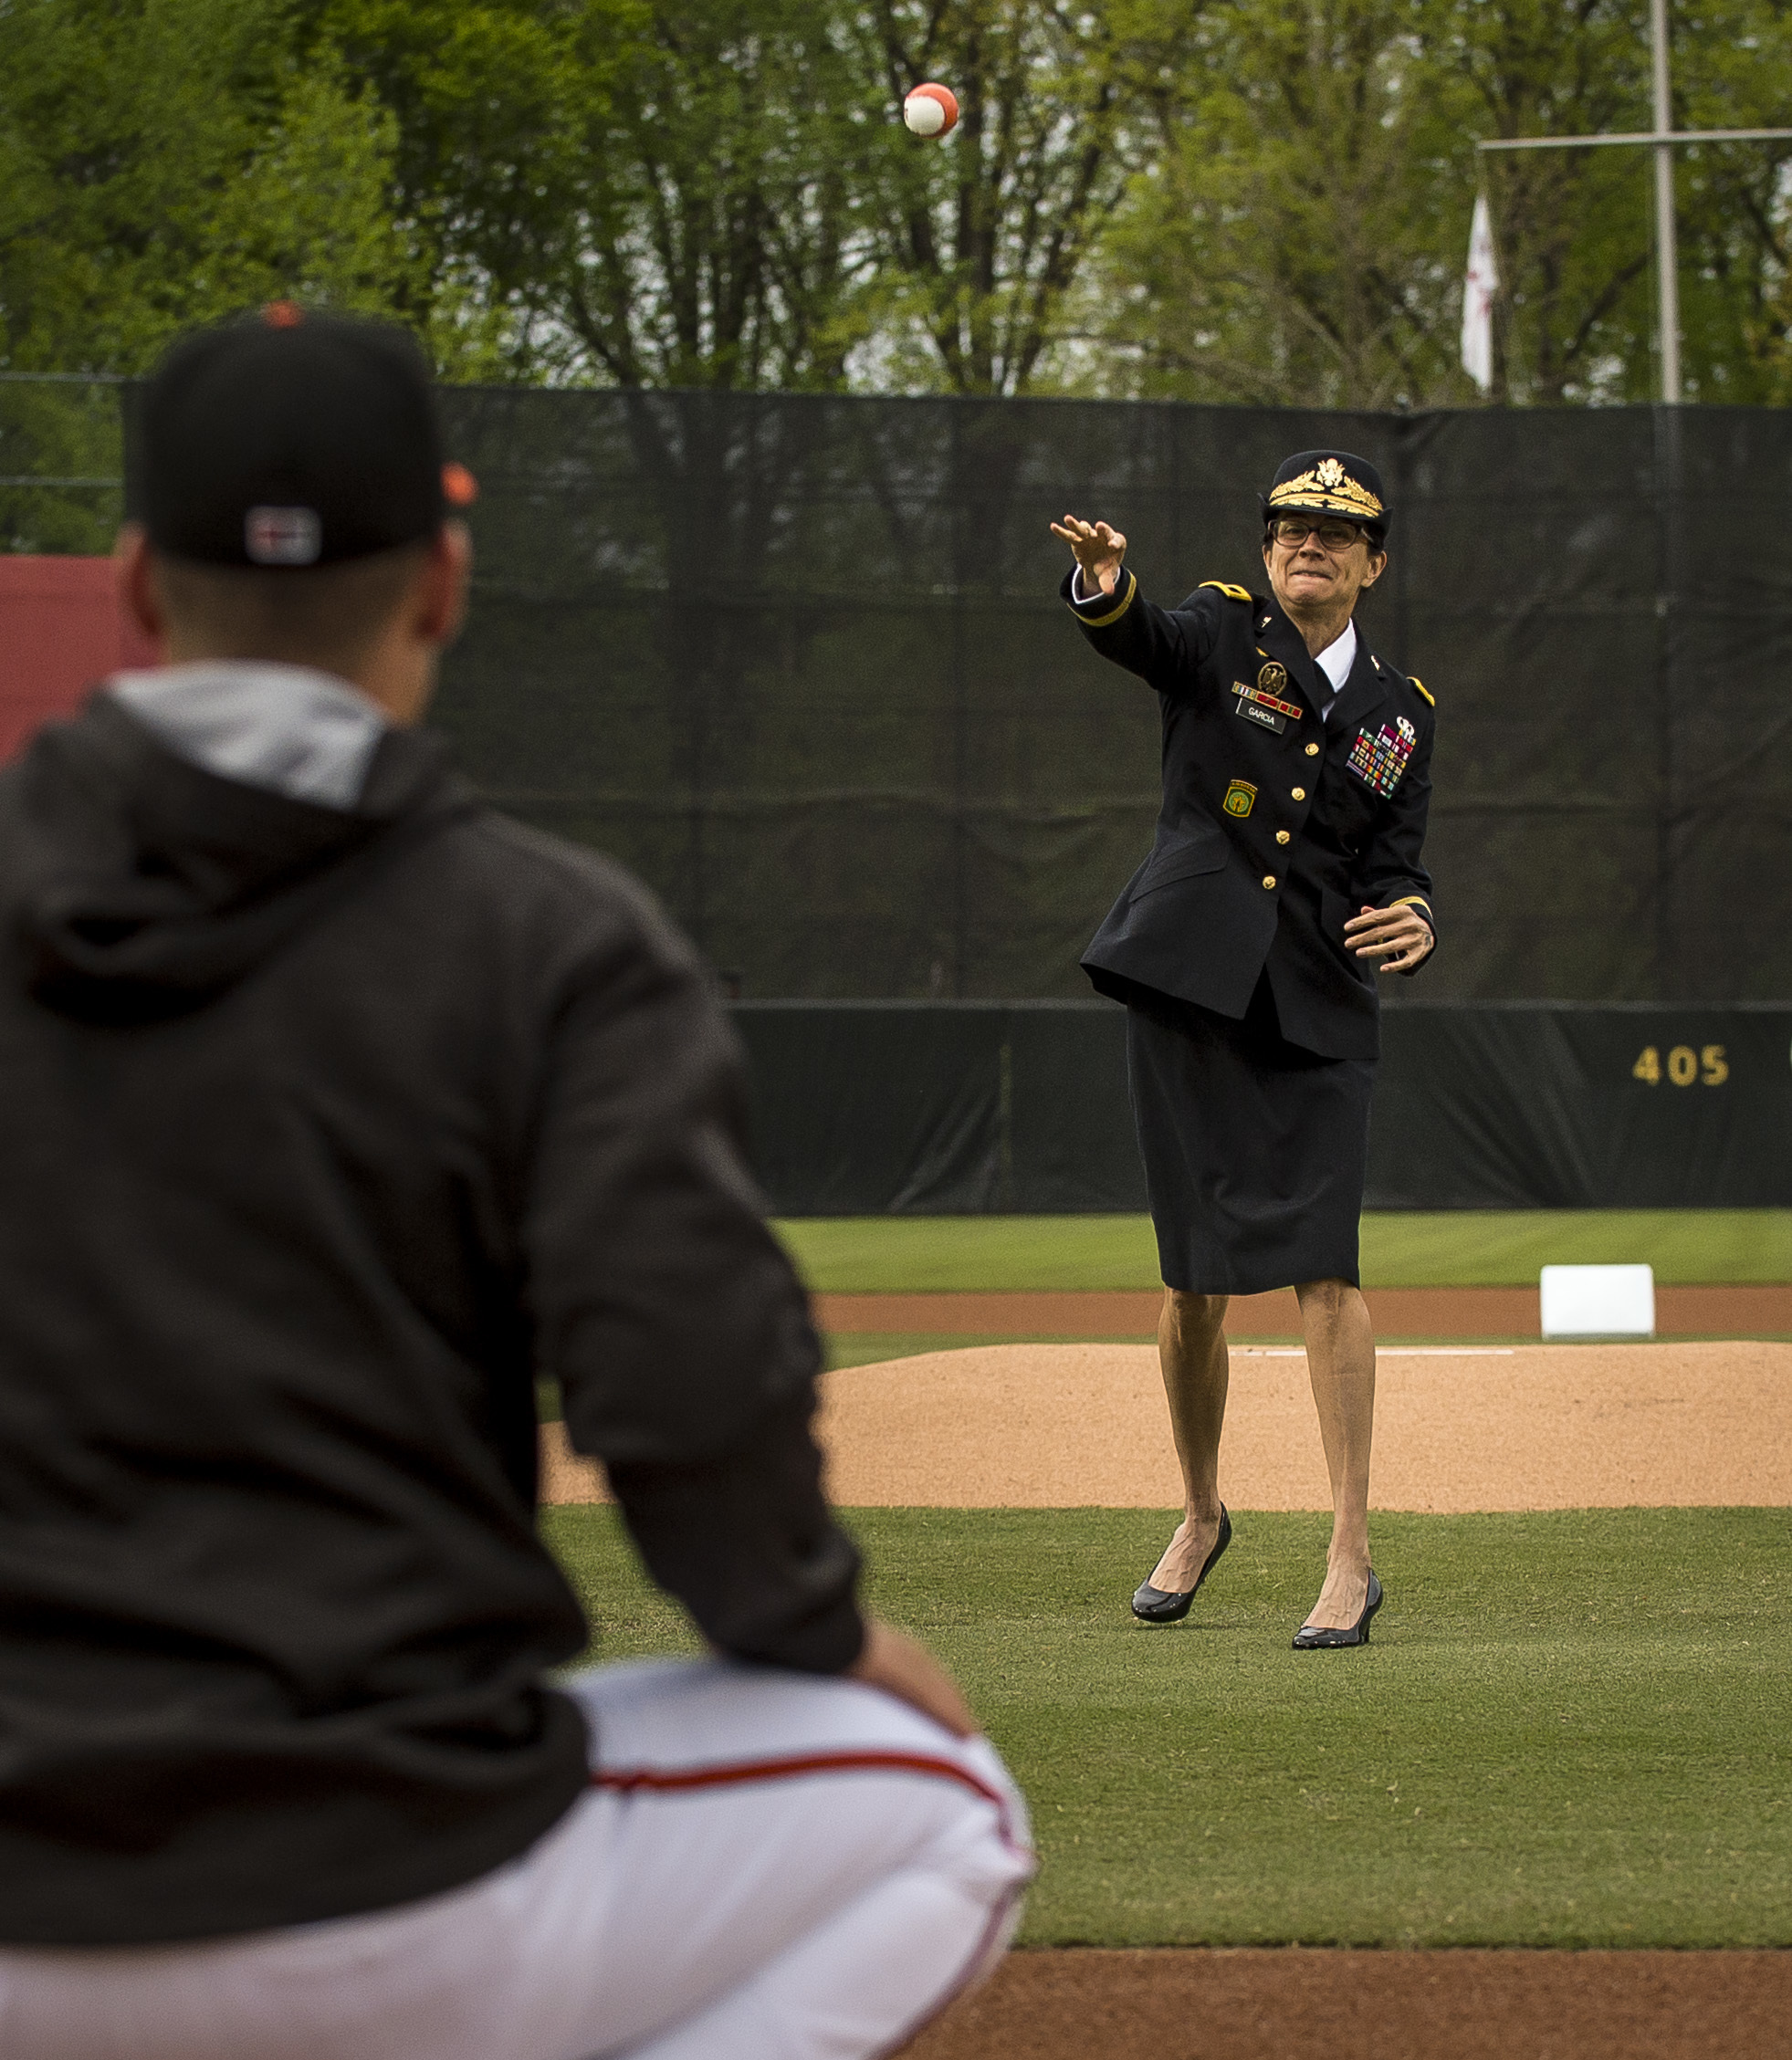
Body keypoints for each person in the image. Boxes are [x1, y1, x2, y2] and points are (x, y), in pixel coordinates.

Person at [0, 306, 1032, 2060]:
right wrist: (813, 1621)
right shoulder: (547, 942)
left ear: (134, 585)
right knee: (949, 1803)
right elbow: (688, 1385)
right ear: (444, 584)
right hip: (409, 1886)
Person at [1049, 451, 1437, 1650]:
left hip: (1319, 1003)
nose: (1306, 541)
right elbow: (1139, 637)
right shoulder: (1220, 632)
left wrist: (1417, 911)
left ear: (1373, 561)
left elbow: (1396, 861)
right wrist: (1106, 587)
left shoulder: (1403, 711)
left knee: (1329, 1269)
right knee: (1194, 1284)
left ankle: (1351, 1552)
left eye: (1335, 529)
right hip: (1187, 984)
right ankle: (1203, 1510)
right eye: (1288, 525)